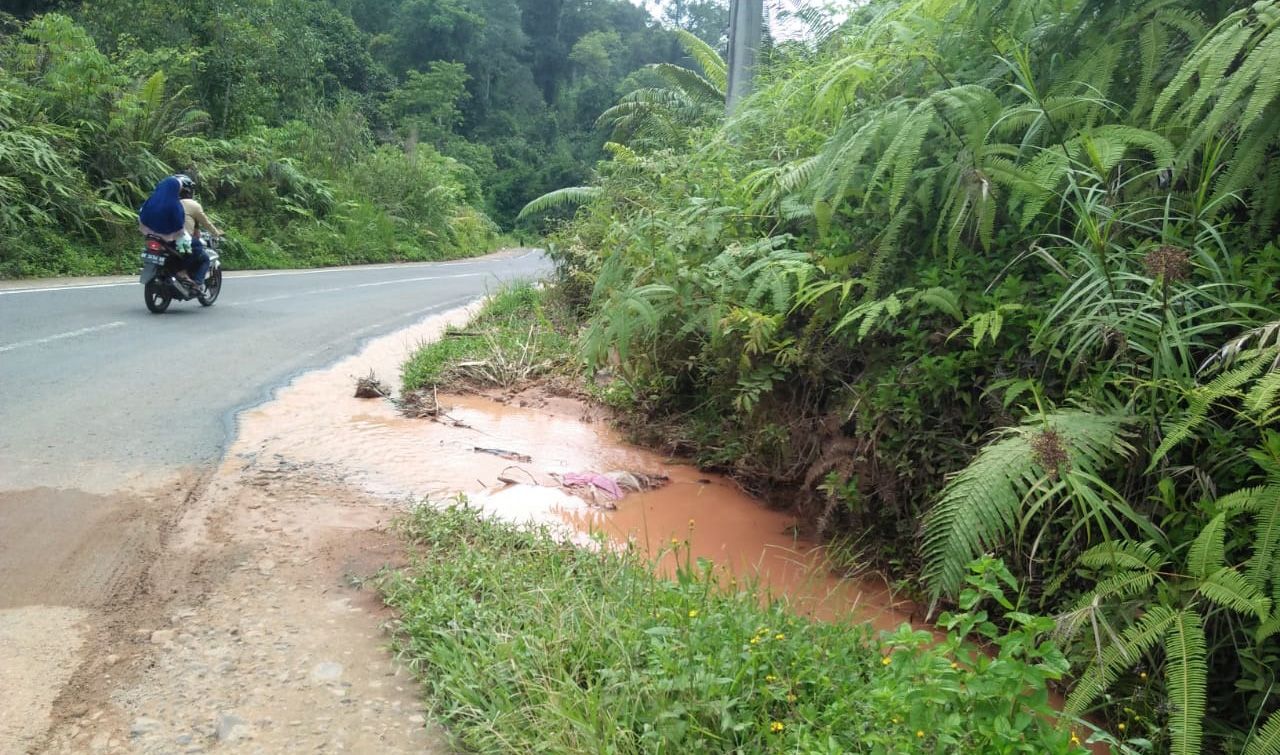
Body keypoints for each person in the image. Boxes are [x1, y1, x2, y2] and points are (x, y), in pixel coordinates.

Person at [176, 174, 221, 296]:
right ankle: (196, 283)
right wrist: (216, 233)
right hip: (180, 238)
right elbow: (206, 222)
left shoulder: (166, 202)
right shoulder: (192, 204)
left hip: (160, 237)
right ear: (189, 190)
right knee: (203, 256)